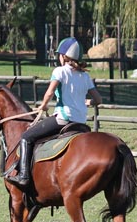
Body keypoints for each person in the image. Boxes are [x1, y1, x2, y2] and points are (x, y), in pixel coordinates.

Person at [6, 37, 102, 187]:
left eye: (59, 54)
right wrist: (86, 102)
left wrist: (43, 105)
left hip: (63, 119)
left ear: (64, 56)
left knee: (26, 137)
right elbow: (98, 100)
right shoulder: (85, 75)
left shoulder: (60, 71)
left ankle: (23, 176)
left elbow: (50, 92)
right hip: (81, 122)